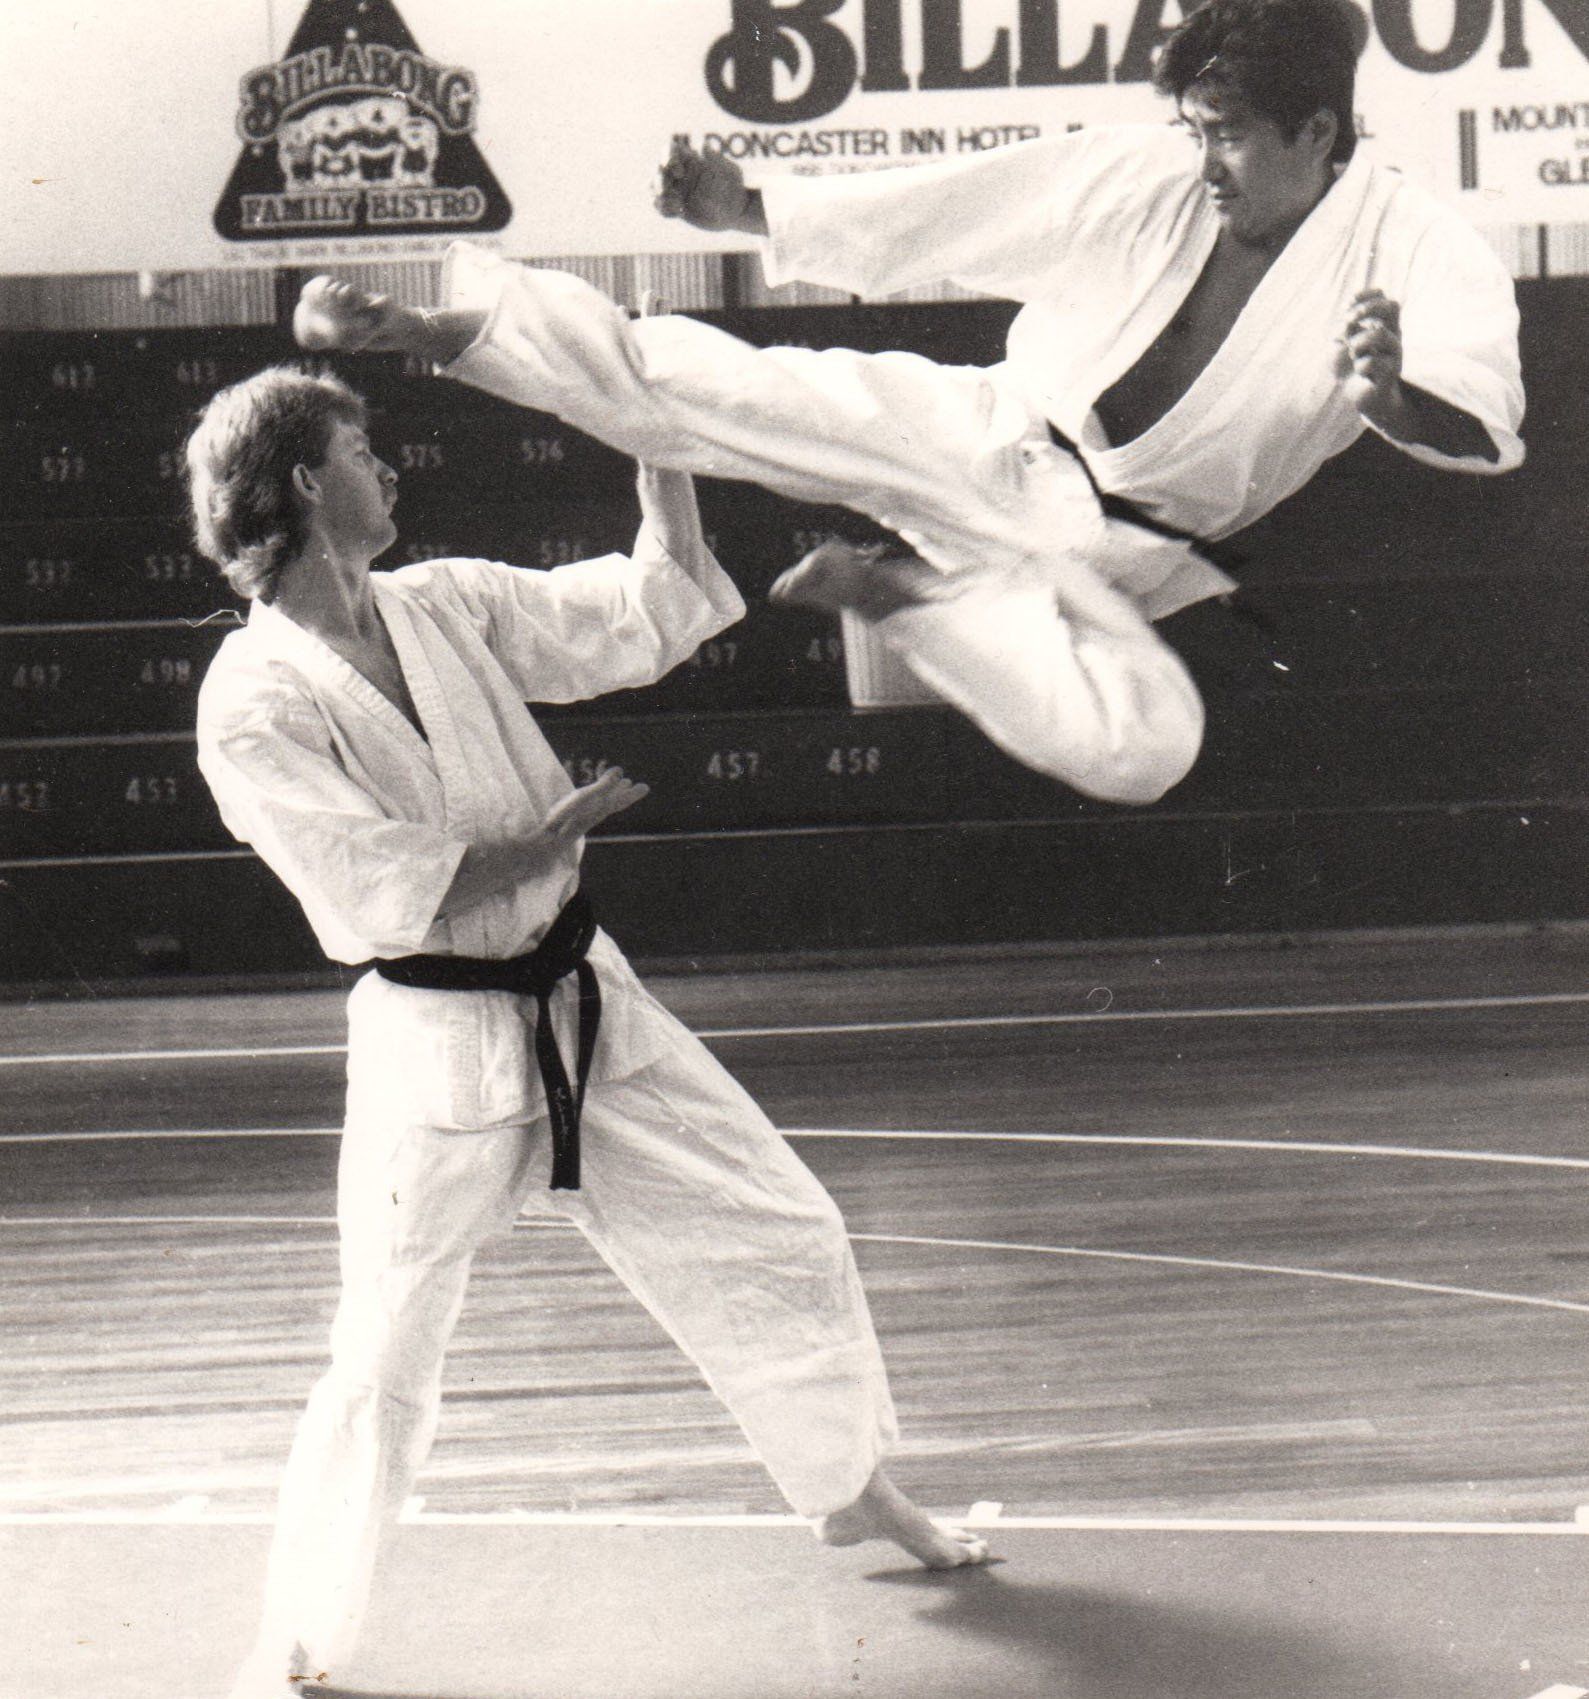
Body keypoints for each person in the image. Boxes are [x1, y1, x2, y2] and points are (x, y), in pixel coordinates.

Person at [187, 365, 990, 1698]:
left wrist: (656, 447)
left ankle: (855, 1488)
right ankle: (301, 1631)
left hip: (581, 992)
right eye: (362, 450)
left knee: (779, 1222)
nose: (390, 470)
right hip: (434, 1043)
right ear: (303, 487)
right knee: (384, 1343)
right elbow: (366, 875)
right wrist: (544, 832)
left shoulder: (436, 602)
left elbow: (635, 607)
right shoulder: (252, 699)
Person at [293, 0, 1522, 804]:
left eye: (1230, 137)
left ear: (1318, 131)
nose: (1202, 162)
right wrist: (752, 213)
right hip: (988, 430)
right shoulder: (1149, 174)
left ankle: (901, 598)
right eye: (1193, 130)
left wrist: (1390, 396)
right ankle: (441, 325)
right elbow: (958, 207)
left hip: (1114, 545)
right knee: (723, 393)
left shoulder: (1415, 246)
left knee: (1145, 749)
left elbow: (1476, 412)